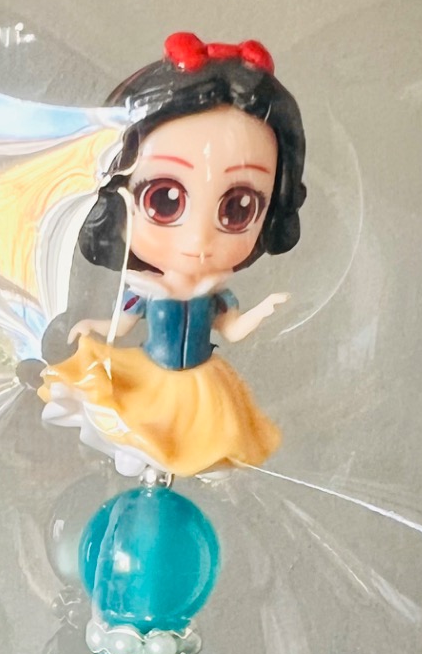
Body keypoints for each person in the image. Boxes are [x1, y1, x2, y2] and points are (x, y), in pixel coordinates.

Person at [40, 33, 306, 478]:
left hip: (202, 388)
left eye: (238, 208)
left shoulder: (216, 296)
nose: (198, 239)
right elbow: (122, 326)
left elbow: (233, 330)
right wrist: (93, 327)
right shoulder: (146, 291)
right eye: (164, 201)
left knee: (203, 445)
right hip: (152, 379)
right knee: (142, 436)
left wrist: (263, 311)